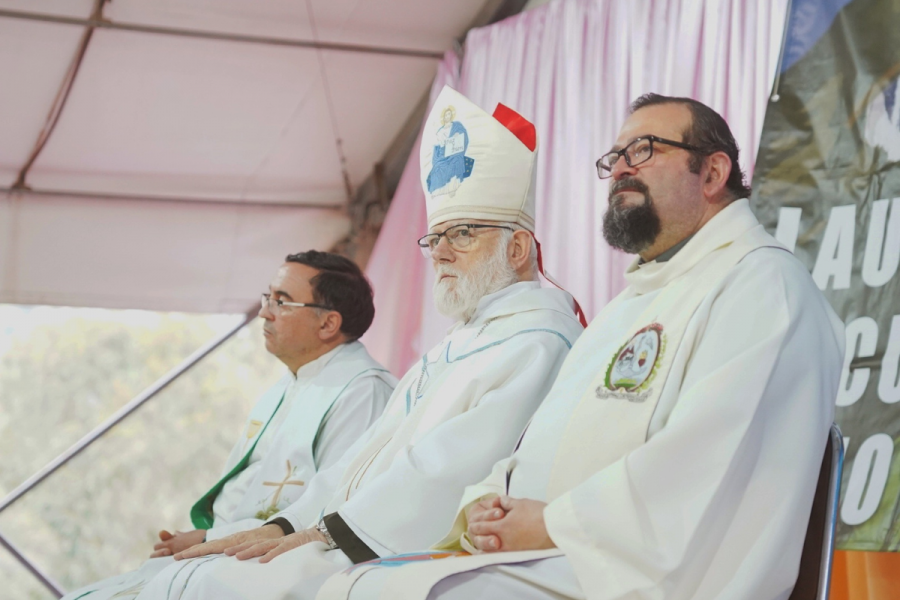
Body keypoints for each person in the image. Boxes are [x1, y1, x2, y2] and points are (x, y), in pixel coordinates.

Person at [318, 93, 846, 600]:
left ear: (712, 173)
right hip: (567, 559)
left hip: (649, 579)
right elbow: (543, 442)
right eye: (615, 156)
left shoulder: (763, 286)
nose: (619, 167)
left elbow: (703, 467)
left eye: (644, 150)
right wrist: (488, 503)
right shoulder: (630, 303)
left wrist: (550, 524)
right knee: (352, 585)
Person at [130, 86, 584, 600]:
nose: (440, 253)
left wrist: (324, 535)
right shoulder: (458, 344)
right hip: (352, 534)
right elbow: (362, 459)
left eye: (461, 235)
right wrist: (283, 527)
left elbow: (446, 469)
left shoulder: (538, 341)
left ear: (518, 246)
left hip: (402, 546)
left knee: (220, 586)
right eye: (435, 238)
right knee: (187, 579)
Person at [61, 251, 396, 600]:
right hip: (225, 555)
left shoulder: (364, 392)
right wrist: (211, 535)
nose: (265, 311)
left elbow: (337, 507)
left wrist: (212, 538)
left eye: (282, 302)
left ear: (328, 324)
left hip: (270, 566)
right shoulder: (287, 385)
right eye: (269, 297)